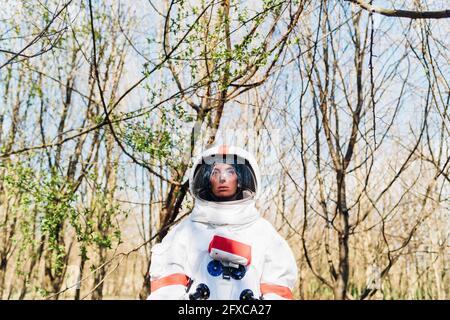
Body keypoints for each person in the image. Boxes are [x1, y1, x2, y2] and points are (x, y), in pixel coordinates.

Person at [147, 145, 298, 300]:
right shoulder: (186, 231)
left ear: (240, 179)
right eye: (215, 172)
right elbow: (166, 289)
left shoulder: (263, 233)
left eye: (230, 172)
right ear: (207, 180)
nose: (222, 178)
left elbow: (278, 289)